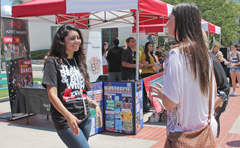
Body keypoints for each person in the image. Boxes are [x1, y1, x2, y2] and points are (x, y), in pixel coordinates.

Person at [150, 2, 218, 143]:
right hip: (204, 132)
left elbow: (170, 103)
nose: (167, 23)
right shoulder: (205, 54)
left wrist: (163, 95)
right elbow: (213, 90)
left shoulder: (175, 54)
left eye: (170, 19)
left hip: (182, 136)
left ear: (180, 22)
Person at [42, 24, 102, 148]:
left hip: (85, 118)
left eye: (78, 38)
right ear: (62, 40)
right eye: (72, 38)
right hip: (66, 119)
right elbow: (52, 95)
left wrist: (93, 104)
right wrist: (68, 116)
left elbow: (79, 93)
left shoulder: (78, 62)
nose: (77, 41)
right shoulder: (52, 62)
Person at [140, 42, 157, 112]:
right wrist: (152, 65)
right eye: (150, 46)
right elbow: (143, 65)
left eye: (152, 46)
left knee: (151, 90)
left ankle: (150, 103)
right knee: (146, 90)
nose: (151, 48)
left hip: (152, 73)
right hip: (146, 73)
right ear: (147, 47)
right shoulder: (144, 55)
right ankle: (146, 105)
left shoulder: (152, 55)